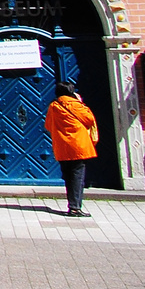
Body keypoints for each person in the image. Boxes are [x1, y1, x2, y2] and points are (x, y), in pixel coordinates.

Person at [45, 81, 99, 217]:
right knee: (78, 177)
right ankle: (75, 208)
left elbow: (48, 125)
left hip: (62, 147)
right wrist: (80, 102)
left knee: (68, 177)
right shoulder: (76, 105)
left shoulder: (53, 106)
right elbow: (89, 119)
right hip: (78, 146)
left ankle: (72, 204)